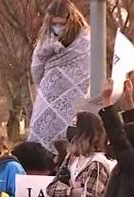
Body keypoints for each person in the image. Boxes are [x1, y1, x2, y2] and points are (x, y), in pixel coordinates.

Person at [28, 0, 91, 148]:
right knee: (42, 133)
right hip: (48, 95)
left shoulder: (85, 41)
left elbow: (88, 69)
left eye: (61, 23)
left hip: (76, 98)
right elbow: (36, 68)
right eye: (54, 24)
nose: (58, 28)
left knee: (72, 137)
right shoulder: (44, 41)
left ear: (70, 20)